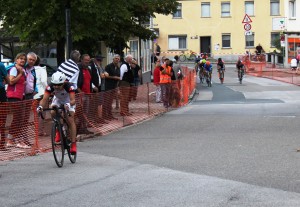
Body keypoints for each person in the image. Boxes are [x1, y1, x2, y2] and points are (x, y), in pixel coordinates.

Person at [37, 71, 77, 154]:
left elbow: (73, 100)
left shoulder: (69, 86)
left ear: (63, 82)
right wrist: (40, 107)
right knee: (53, 112)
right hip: (58, 100)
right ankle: (58, 129)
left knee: (70, 120)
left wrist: (69, 104)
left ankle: (73, 144)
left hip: (68, 101)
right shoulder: (50, 87)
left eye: (59, 85)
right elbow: (44, 100)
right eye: (55, 84)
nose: (56, 86)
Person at [6, 53, 28, 148]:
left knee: (19, 119)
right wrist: (20, 75)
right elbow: (11, 81)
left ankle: (12, 139)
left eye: (24, 59)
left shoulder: (22, 70)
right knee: (18, 118)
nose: (22, 60)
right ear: (16, 60)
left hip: (20, 96)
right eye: (20, 58)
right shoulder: (15, 69)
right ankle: (13, 140)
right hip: (13, 96)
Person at [103, 54, 120, 120]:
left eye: (118, 59)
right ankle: (105, 115)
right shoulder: (108, 66)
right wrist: (114, 77)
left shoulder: (118, 68)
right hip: (108, 86)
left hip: (114, 87)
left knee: (110, 102)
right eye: (116, 58)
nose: (117, 60)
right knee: (106, 101)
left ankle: (110, 115)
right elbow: (106, 76)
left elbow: (119, 76)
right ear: (113, 59)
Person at [0, 62, 10, 150]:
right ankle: (2, 144)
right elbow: (9, 81)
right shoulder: (1, 65)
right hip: (1, 92)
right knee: (2, 119)